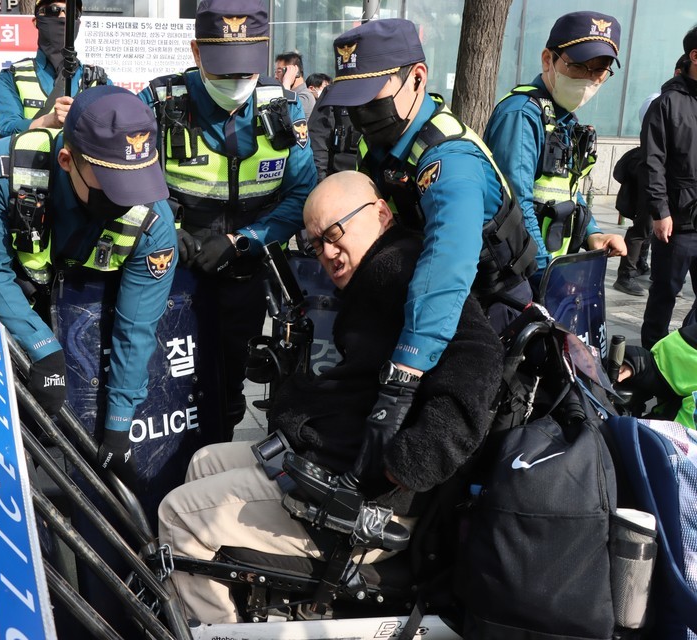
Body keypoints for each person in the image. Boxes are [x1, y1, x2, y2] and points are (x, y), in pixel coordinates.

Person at [157, 171, 503, 624]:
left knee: (177, 516)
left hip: (369, 503)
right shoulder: (377, 274)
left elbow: (479, 354)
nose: (327, 253)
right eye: (316, 244)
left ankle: (216, 631)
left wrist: (412, 461)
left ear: (381, 214)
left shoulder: (400, 267)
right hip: (339, 465)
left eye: (335, 234)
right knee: (204, 462)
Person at [315, 18, 535, 437]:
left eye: (370, 97)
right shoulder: (378, 145)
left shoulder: (450, 161)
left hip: (487, 313)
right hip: (423, 306)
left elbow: (445, 269)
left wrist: (405, 371)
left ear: (417, 78)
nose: (360, 113)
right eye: (351, 101)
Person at [0, 85, 176, 473]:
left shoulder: (154, 221)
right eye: (112, 186)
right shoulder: (3, 170)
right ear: (66, 160)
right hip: (15, 306)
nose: (127, 200)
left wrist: (119, 425)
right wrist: (39, 345)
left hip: (94, 321)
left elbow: (136, 328)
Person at [138, 0, 316, 435]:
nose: (236, 82)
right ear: (196, 52)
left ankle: (216, 455)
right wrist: (167, 230)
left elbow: (301, 194)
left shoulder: (284, 107)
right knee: (166, 384)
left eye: (246, 70)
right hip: (172, 274)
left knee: (229, 390)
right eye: (223, 71)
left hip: (246, 274)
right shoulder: (159, 103)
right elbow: (129, 182)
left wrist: (243, 241)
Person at [485, 11, 626, 288]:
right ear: (548, 59)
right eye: (579, 66)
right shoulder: (522, 114)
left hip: (548, 267)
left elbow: (565, 188)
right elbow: (516, 204)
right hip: (521, 274)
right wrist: (546, 273)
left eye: (599, 70)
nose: (589, 79)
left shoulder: (562, 117)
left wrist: (593, 234)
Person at [615, 54, 692, 297]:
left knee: (651, 229)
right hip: (654, 178)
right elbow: (655, 152)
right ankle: (626, 275)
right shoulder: (660, 101)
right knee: (643, 225)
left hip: (674, 186)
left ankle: (640, 264)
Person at [640, 26, 697, 350]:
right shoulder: (666, 104)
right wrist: (660, 211)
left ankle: (684, 352)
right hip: (677, 220)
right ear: (695, 56)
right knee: (664, 293)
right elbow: (653, 161)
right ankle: (651, 360)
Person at [0, 0, 109, 138]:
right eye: (52, 10)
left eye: (72, 13)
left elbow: (113, 130)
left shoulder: (97, 80)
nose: (63, 17)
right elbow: (6, 129)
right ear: (36, 21)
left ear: (78, 23)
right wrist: (49, 120)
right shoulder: (11, 77)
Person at [274, 51, 315, 116]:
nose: (275, 76)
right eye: (275, 72)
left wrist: (287, 81)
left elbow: (284, 113)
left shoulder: (305, 97)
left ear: (294, 72)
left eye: (279, 72)